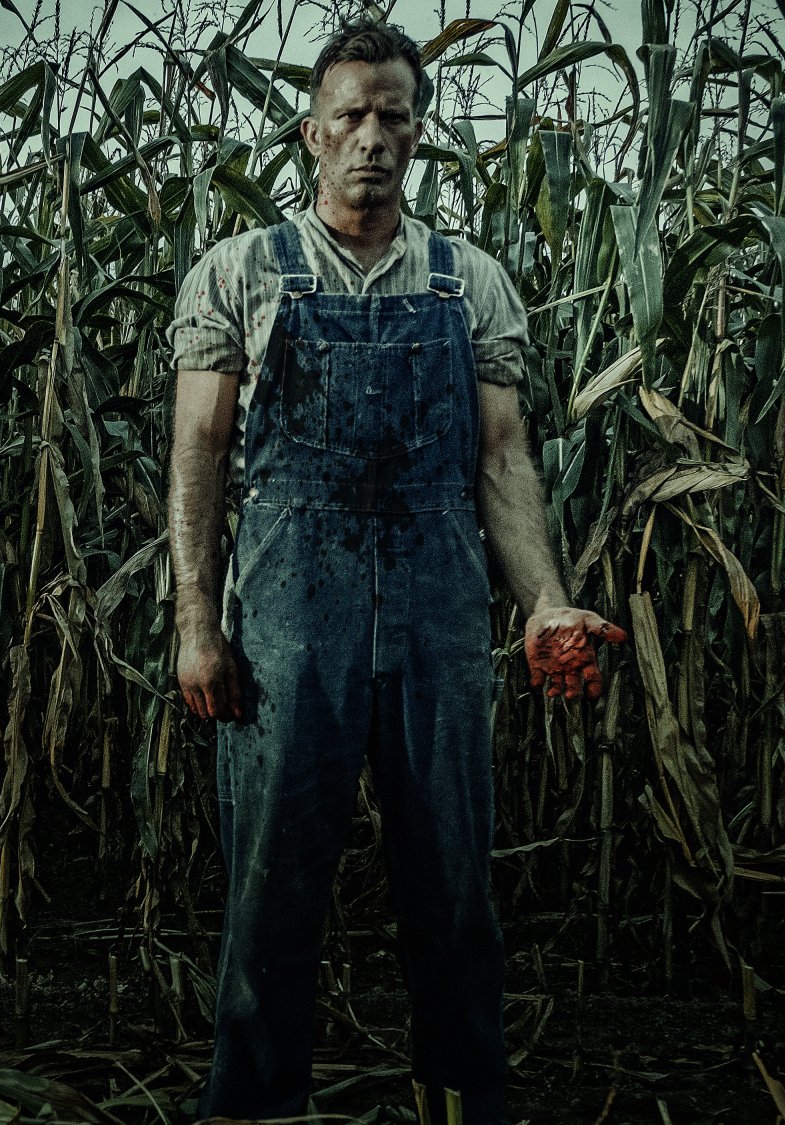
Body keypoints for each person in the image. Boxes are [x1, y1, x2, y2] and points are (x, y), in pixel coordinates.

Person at [166, 18, 628, 1123]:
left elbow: (501, 457)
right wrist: (195, 622)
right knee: (271, 894)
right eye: (351, 114)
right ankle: (255, 1108)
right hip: (286, 625)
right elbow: (198, 451)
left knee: (453, 890)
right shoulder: (239, 272)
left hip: (432, 617)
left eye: (394, 116)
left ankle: (463, 1102)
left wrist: (544, 602)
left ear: (418, 136)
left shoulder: (462, 281)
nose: (371, 135)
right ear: (310, 131)